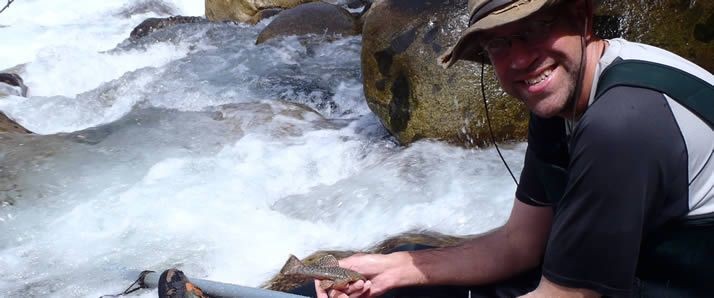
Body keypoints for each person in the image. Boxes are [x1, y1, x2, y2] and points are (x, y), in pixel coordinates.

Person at [306, 0, 714, 297]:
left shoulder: (622, 123)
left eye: (535, 28)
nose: (520, 59)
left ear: (583, 17)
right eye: (498, 45)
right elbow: (520, 243)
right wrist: (393, 268)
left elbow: (568, 296)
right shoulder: (562, 98)